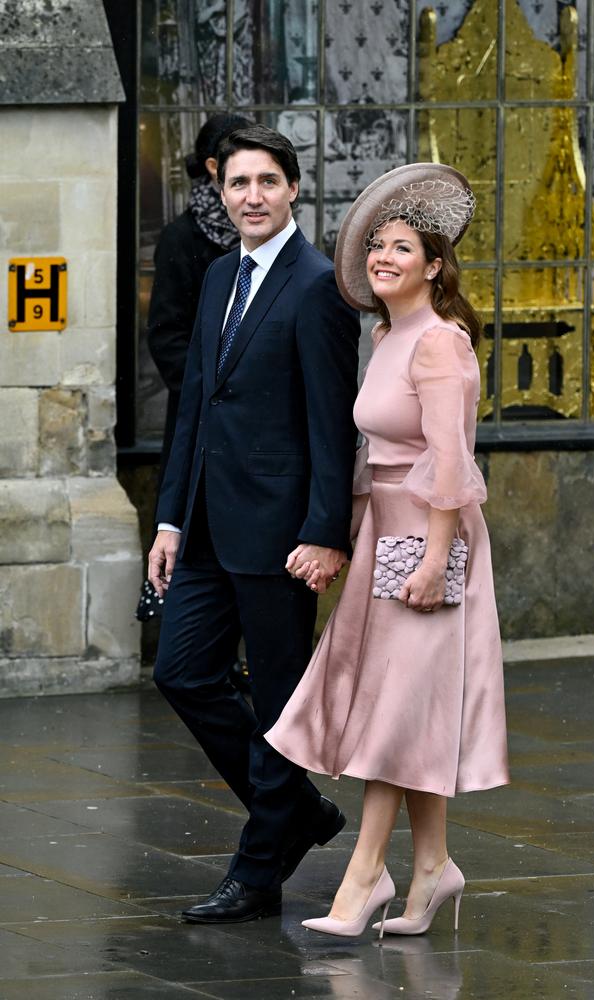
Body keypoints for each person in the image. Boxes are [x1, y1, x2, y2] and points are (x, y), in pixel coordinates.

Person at [266, 163, 509, 938]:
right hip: (386, 538)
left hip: (429, 541)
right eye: (377, 245)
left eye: (401, 247)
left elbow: (449, 462)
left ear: (434, 265)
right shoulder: (388, 335)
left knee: (393, 714)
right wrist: (350, 542)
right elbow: (375, 457)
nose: (383, 256)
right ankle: (433, 867)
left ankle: (365, 878)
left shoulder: (441, 344)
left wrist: (436, 561)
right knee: (407, 712)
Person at [148, 124, 361, 924]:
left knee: (277, 702)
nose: (253, 197)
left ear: (294, 190)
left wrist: (325, 530)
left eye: (268, 182)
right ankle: (298, 813)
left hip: (281, 534)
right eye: (240, 184)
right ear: (221, 191)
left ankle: (260, 867)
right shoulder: (215, 279)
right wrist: (169, 518)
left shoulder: (316, 285)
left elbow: (331, 425)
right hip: (203, 524)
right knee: (181, 672)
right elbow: (194, 407)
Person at [136, 113, 249, 639]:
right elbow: (166, 335)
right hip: (201, 417)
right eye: (239, 172)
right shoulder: (183, 239)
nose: (252, 191)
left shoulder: (268, 238)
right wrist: (215, 391)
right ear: (212, 168)